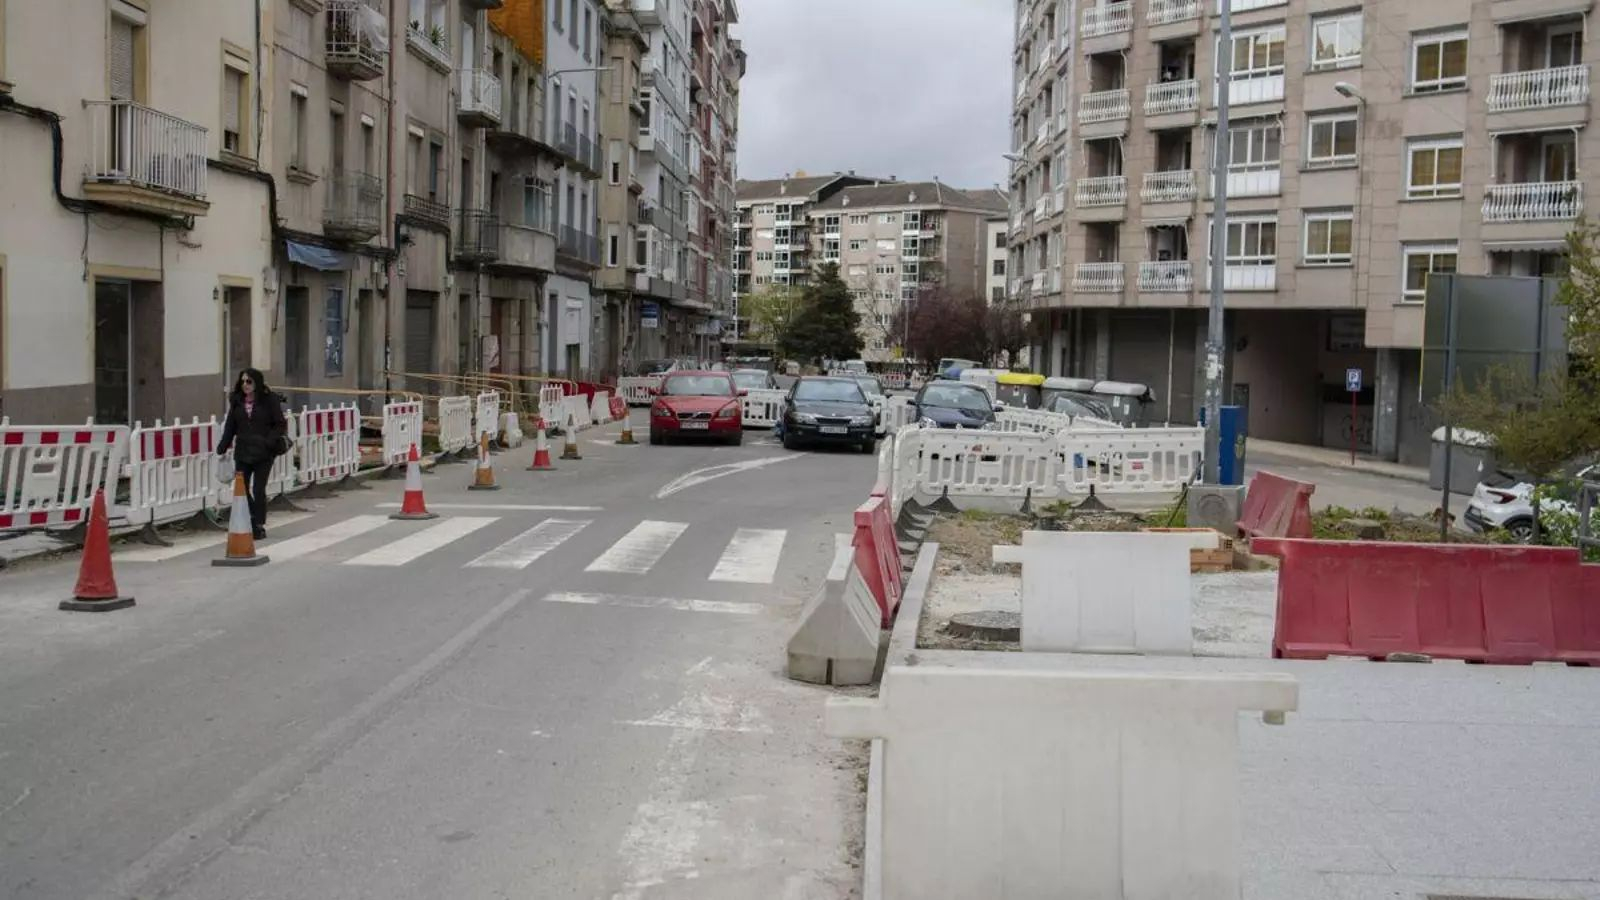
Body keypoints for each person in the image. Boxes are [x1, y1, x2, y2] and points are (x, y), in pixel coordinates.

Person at [215, 368, 287, 540]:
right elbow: (231, 426)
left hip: (264, 453)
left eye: (249, 381)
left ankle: (258, 523)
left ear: (257, 383)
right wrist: (223, 446)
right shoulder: (237, 401)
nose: (245, 385)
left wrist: (268, 441)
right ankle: (253, 518)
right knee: (242, 488)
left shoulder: (269, 400)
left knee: (258, 488)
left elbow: (279, 424)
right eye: (243, 381)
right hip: (243, 451)